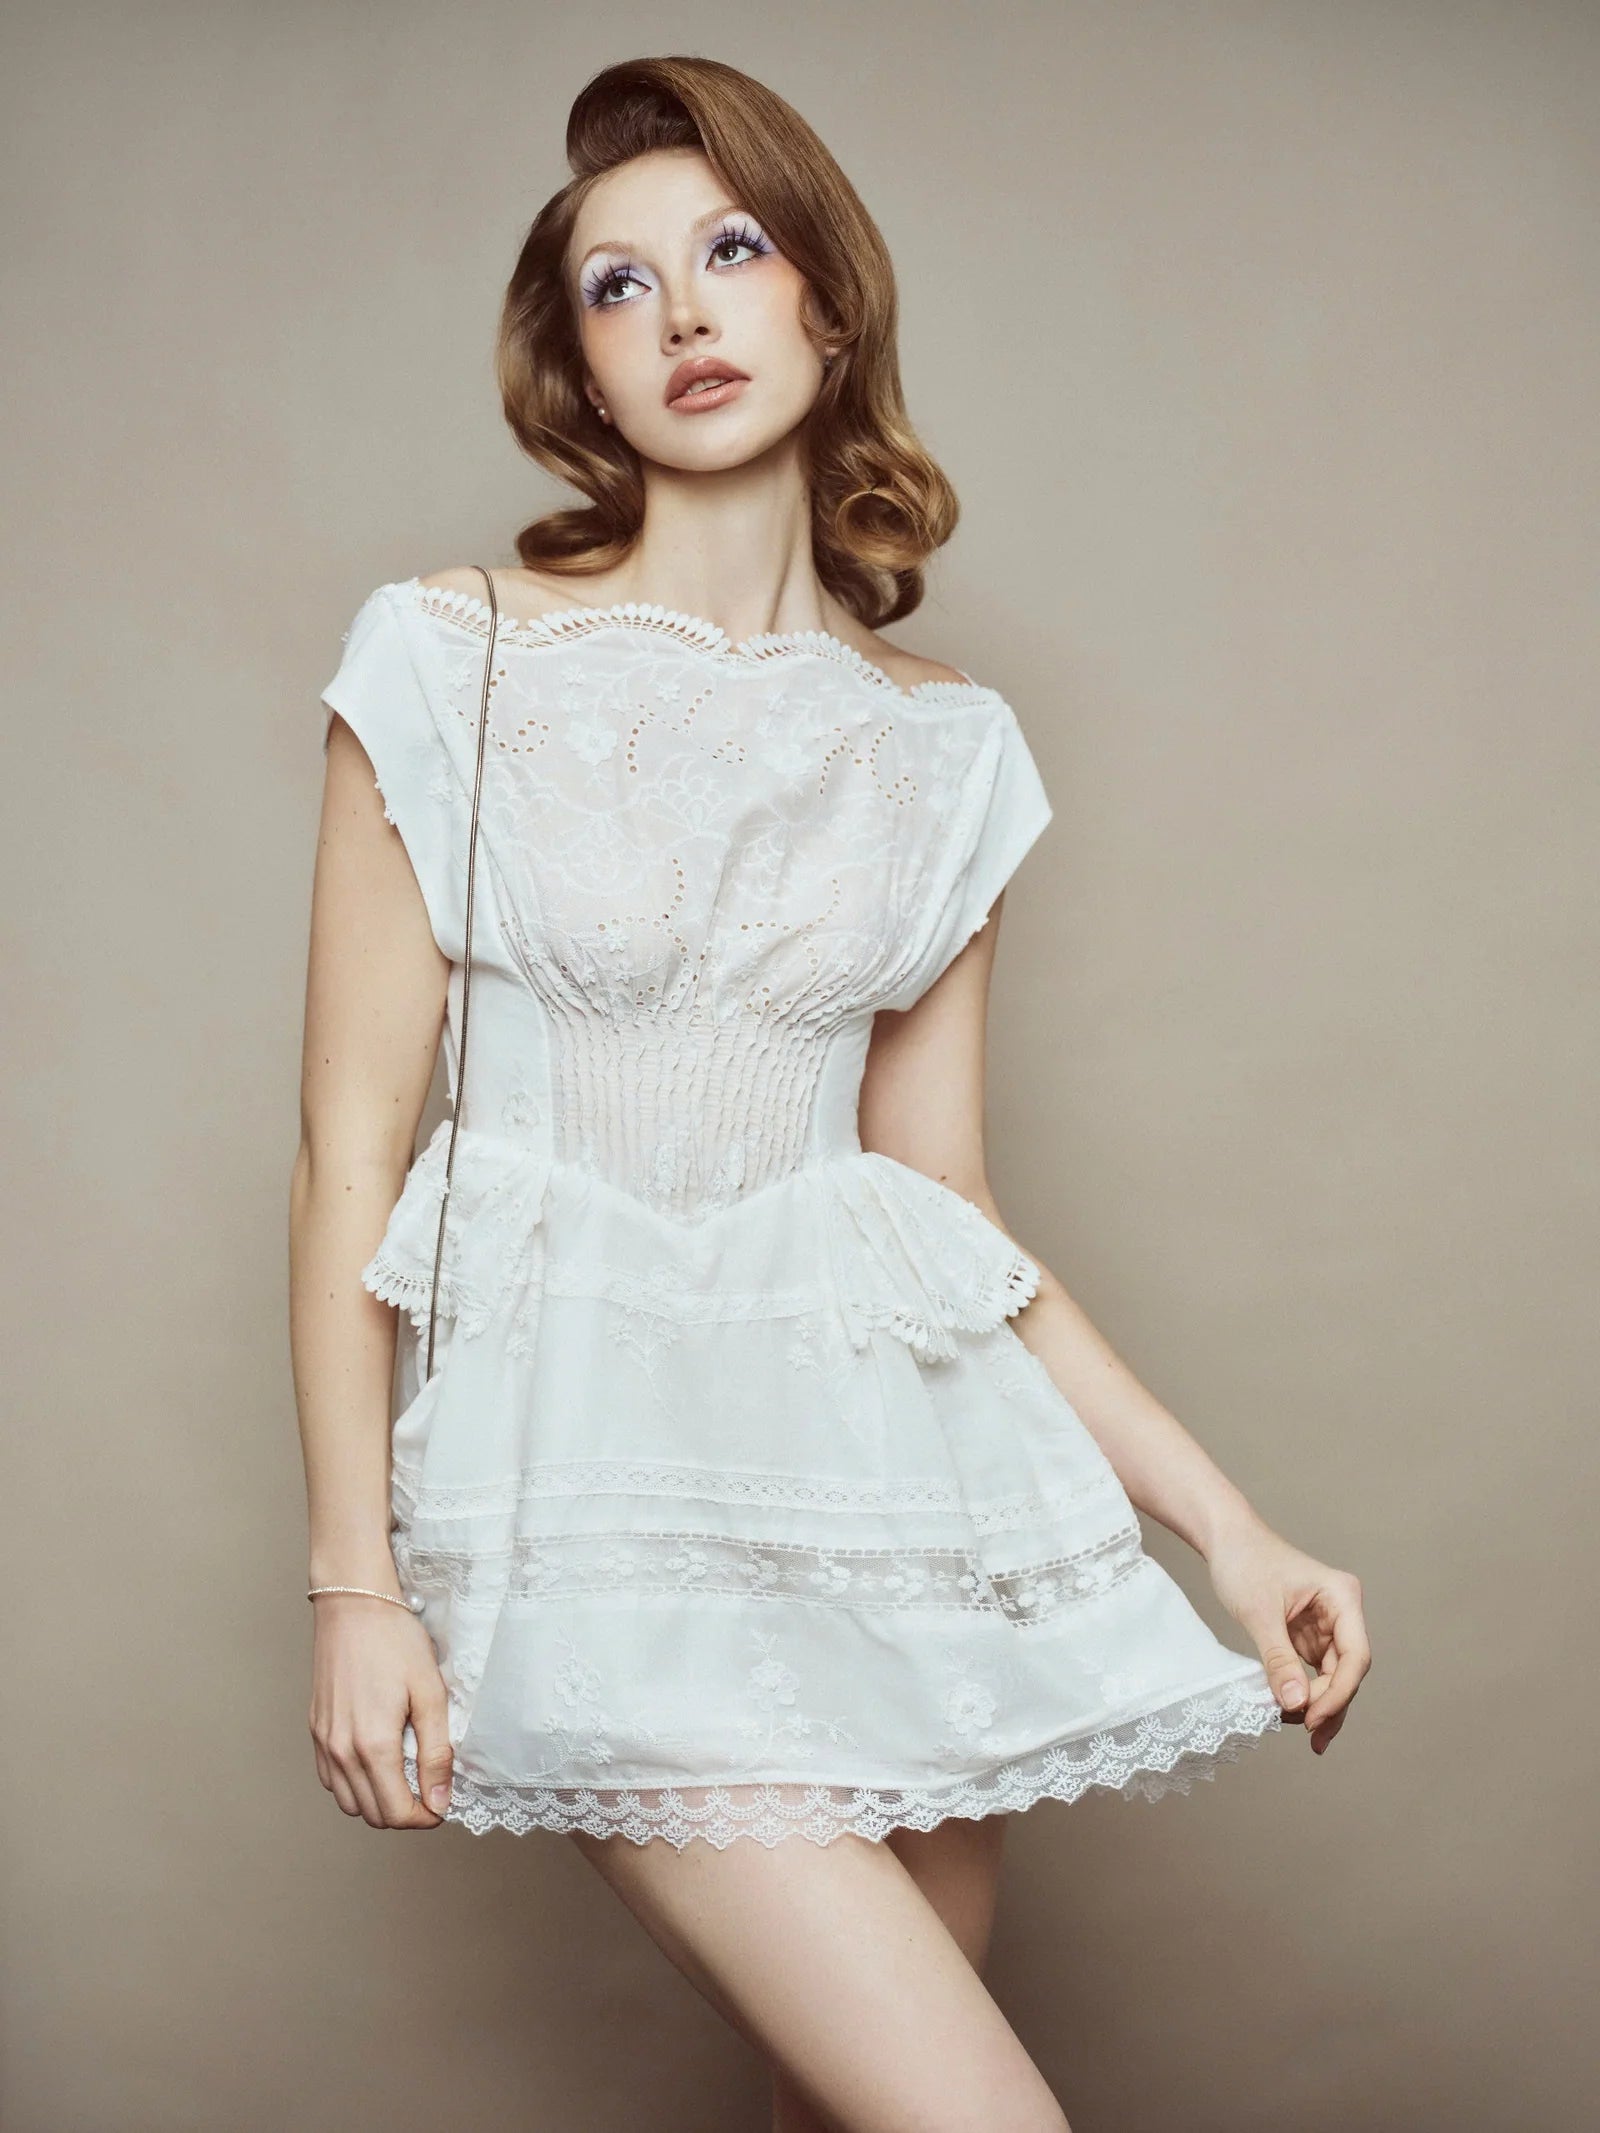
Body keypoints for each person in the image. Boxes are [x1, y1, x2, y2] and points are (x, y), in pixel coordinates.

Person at [288, 55, 1370, 2133]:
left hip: (879, 1509)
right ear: (579, 369)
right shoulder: (448, 659)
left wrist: (1226, 1530)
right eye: (617, 286)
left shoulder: (943, 747)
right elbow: (348, 1149)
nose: (683, 312)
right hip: (584, 1500)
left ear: (827, 299)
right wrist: (354, 1581)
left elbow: (936, 1207)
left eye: (729, 248)